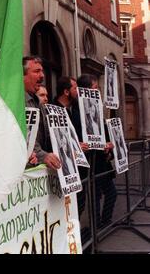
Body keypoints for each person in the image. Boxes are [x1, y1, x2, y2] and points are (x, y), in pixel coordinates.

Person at [76, 74, 116, 228]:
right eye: (94, 89)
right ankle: (97, 226)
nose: (97, 93)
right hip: (90, 164)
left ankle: (105, 223)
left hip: (102, 163)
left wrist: (108, 147)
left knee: (111, 194)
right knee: (95, 197)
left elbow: (105, 136)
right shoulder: (78, 112)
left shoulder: (97, 111)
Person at [22, 56, 60, 169]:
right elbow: (25, 135)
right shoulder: (17, 101)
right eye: (37, 71)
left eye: (42, 71)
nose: (42, 75)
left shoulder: (37, 102)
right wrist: (43, 156)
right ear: (22, 75)